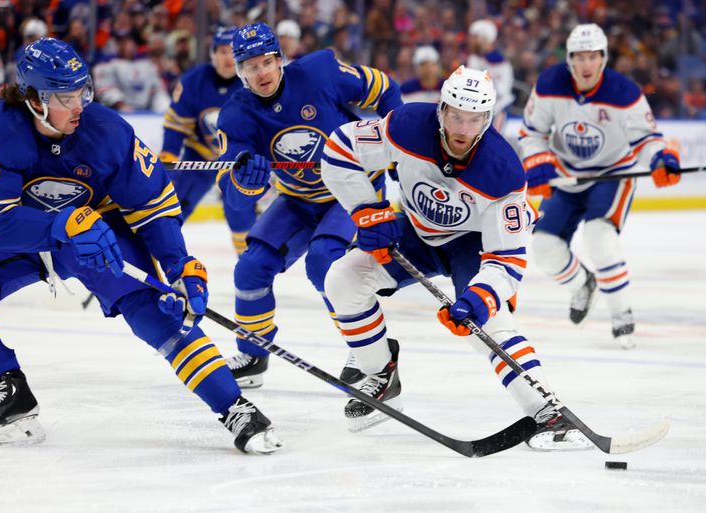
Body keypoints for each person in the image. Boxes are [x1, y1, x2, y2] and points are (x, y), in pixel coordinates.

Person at [0, 38, 282, 455]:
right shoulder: (0, 130)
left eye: (83, 90)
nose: (79, 104)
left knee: (158, 309)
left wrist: (180, 265)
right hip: (31, 234)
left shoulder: (108, 131)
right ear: (34, 99)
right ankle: (8, 390)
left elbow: (153, 209)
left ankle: (236, 407)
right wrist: (63, 222)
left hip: (98, 236)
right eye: (66, 96)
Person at [320, 65, 591, 450]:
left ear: (488, 118)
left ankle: (549, 411)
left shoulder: (503, 172)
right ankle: (380, 374)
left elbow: (508, 258)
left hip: (473, 246)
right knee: (343, 279)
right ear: (442, 109)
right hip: (415, 231)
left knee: (489, 328)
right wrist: (367, 210)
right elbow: (340, 148)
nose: (463, 129)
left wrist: (482, 296)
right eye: (456, 116)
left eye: (475, 119)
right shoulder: (407, 123)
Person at [216, 22, 402, 388]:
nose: (262, 72)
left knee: (325, 262)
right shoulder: (237, 114)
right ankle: (253, 353)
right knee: (250, 269)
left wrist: (394, 144)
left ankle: (367, 349)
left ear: (280, 59)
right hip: (300, 198)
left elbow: (384, 88)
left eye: (267, 62)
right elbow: (232, 191)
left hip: (352, 188)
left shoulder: (319, 72)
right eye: (250, 66)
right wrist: (246, 181)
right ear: (240, 72)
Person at [519, 23, 681, 349]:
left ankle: (622, 315)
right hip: (566, 176)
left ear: (603, 58)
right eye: (579, 57)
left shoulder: (624, 93)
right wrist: (538, 161)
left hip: (612, 175)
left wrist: (660, 158)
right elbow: (532, 132)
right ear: (570, 59)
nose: (586, 65)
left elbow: (647, 139)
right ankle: (582, 284)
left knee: (598, 236)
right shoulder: (550, 84)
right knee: (544, 248)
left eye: (593, 57)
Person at [160, 27, 255, 256]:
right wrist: (168, 154)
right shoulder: (194, 80)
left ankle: (249, 264)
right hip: (199, 155)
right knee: (172, 208)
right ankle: (156, 254)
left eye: (232, 51)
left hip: (237, 159)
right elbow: (176, 124)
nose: (227, 57)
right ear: (213, 54)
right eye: (222, 51)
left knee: (240, 212)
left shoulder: (253, 80)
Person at [93, 33, 170, 113]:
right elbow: (104, 88)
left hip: (145, 112)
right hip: (116, 113)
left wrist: (164, 107)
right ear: (118, 45)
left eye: (132, 43)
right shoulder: (106, 63)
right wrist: (120, 104)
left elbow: (157, 90)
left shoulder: (147, 64)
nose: (129, 46)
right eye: (125, 43)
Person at [466, 19, 513, 131]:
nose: (470, 41)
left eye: (474, 37)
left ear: (484, 38)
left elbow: (502, 92)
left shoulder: (500, 62)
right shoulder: (473, 59)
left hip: (497, 108)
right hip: (475, 107)